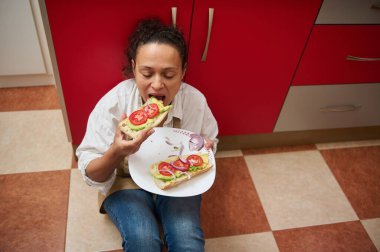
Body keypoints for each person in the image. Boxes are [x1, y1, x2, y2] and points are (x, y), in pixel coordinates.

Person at [76, 18, 218, 252]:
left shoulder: (194, 101)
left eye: (169, 74)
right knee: (143, 239)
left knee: (187, 238)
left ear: (183, 71)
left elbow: (209, 147)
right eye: (147, 73)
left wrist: (206, 150)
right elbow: (91, 173)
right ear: (133, 68)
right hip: (124, 182)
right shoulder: (114, 103)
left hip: (178, 177)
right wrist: (115, 152)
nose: (157, 84)